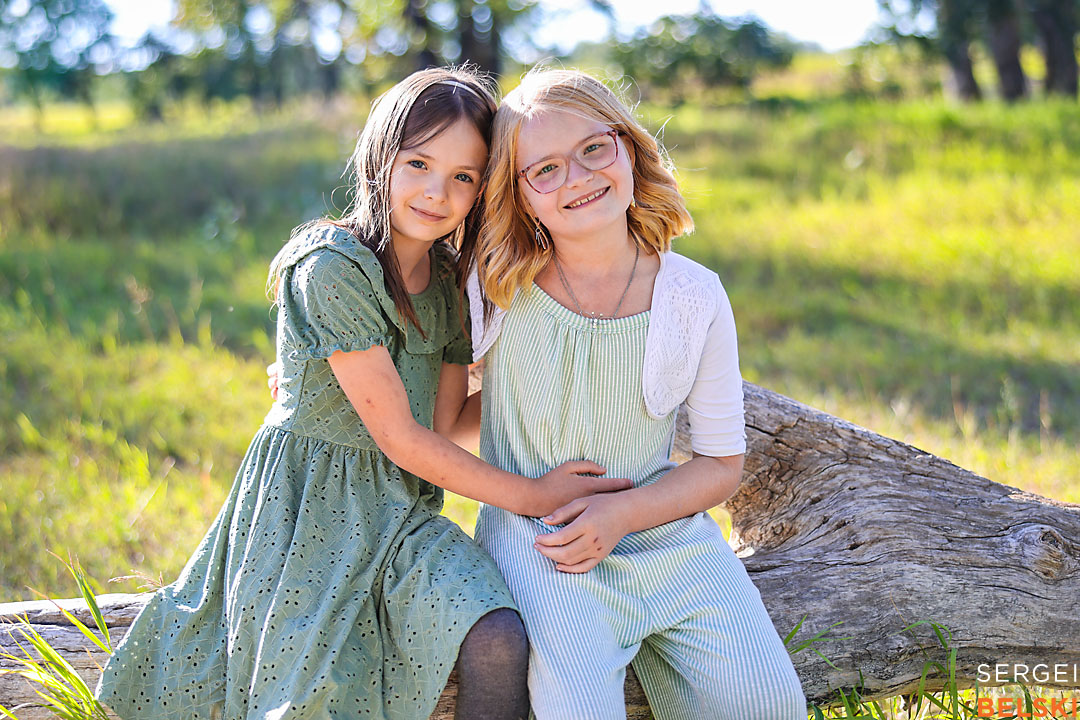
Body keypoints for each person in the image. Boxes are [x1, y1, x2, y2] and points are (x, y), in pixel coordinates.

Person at [94, 67, 630, 720]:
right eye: (419, 163)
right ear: (380, 160)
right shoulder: (329, 268)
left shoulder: (446, 285)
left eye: (464, 177)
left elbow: (448, 423)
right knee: (309, 691)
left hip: (402, 516)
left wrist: (552, 365)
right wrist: (537, 495)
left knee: (499, 637)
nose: (438, 191)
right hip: (307, 515)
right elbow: (402, 438)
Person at [466, 68, 808, 720]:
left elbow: (719, 465)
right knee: (579, 709)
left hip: (666, 535)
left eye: (594, 148)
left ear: (629, 147)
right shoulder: (496, 289)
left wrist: (621, 516)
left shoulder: (692, 294)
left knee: (767, 704)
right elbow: (440, 405)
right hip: (547, 548)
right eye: (546, 170)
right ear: (520, 195)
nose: (578, 177)